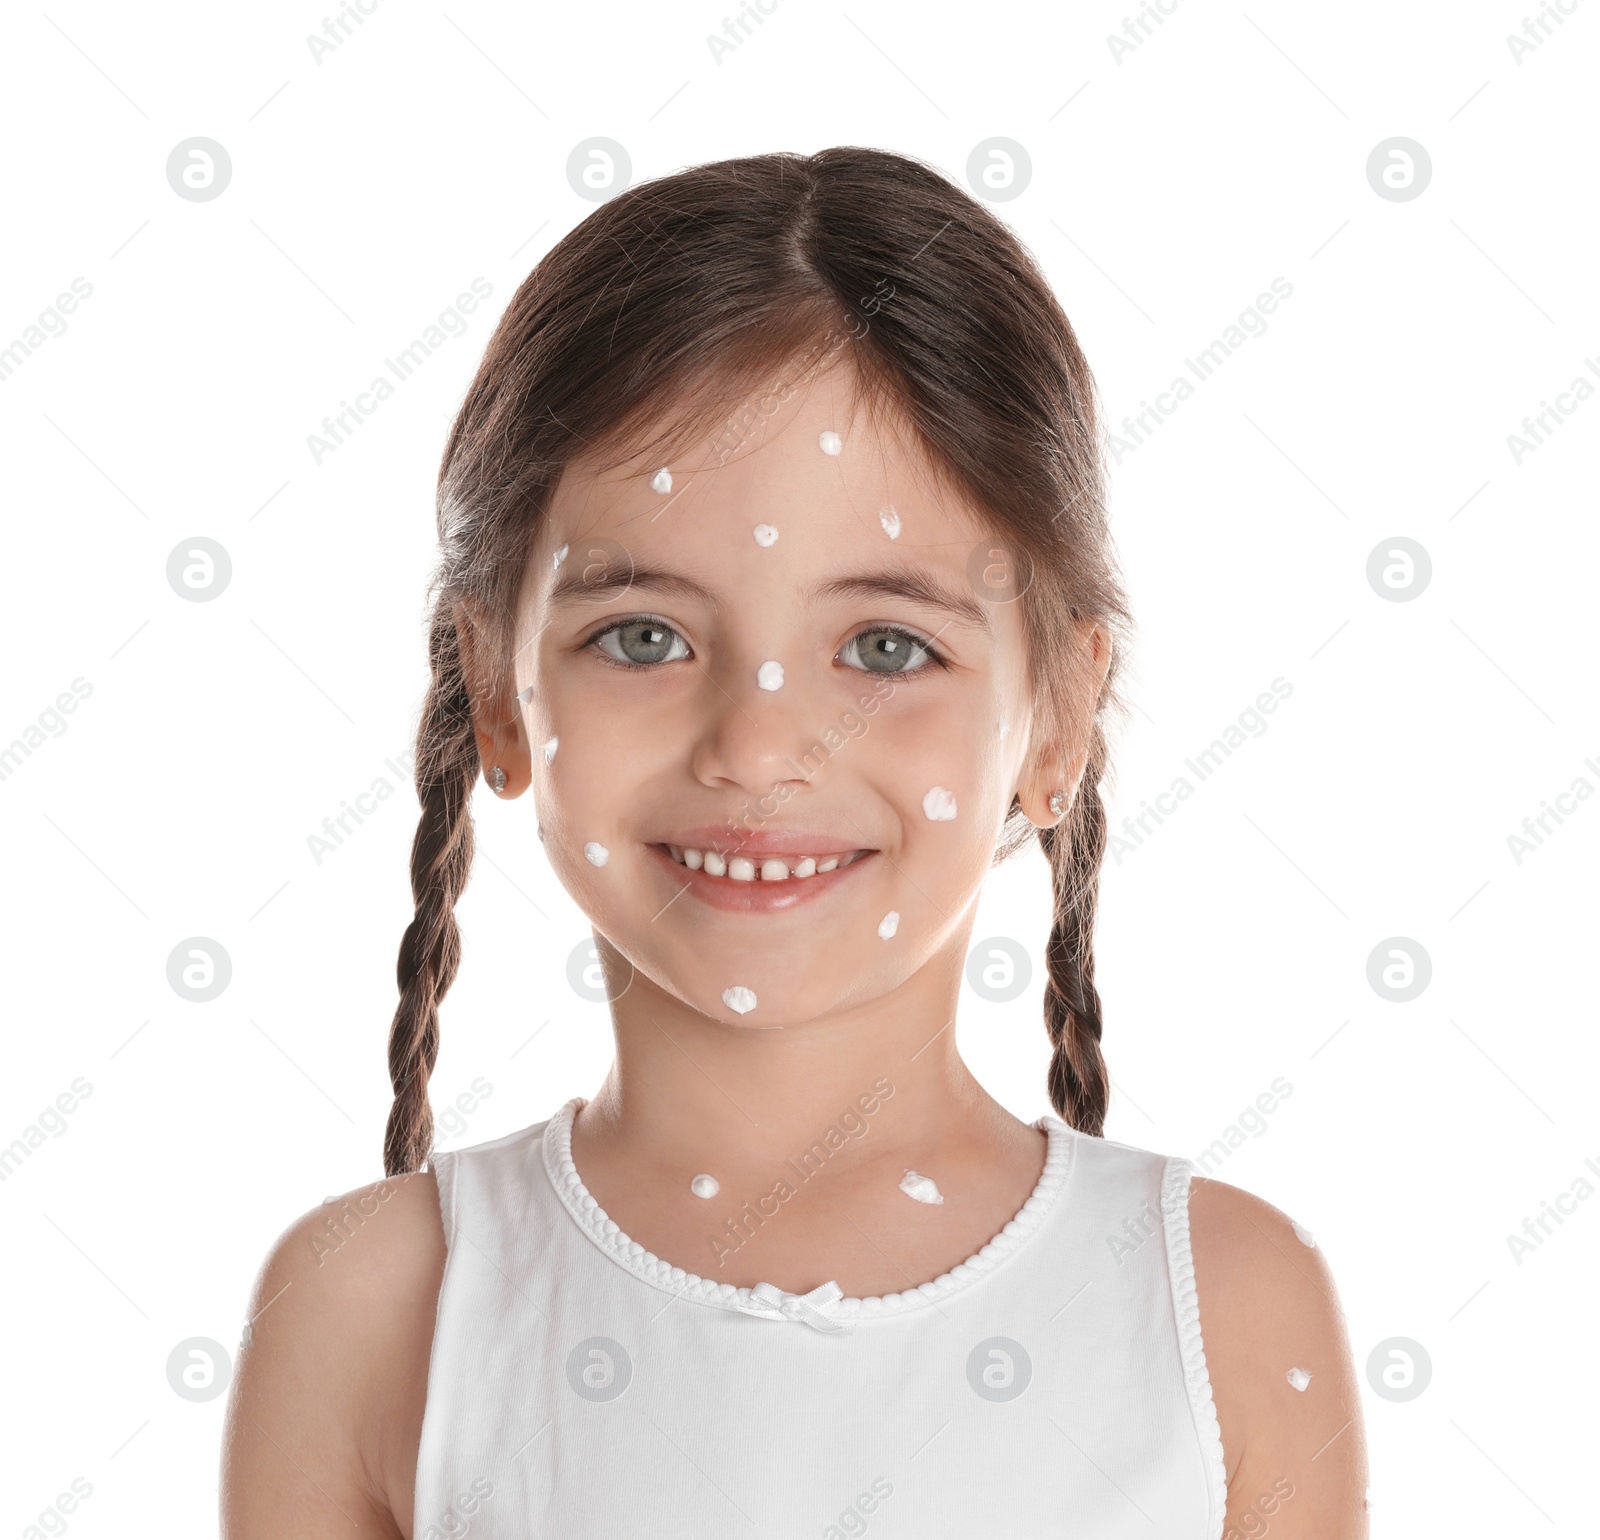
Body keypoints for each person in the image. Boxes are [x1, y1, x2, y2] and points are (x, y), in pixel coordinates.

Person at [221, 146, 1368, 1538]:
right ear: (497, 691)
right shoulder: (369, 1307)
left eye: (886, 645)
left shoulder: (1228, 1308)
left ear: (1059, 717)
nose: (760, 750)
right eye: (641, 637)